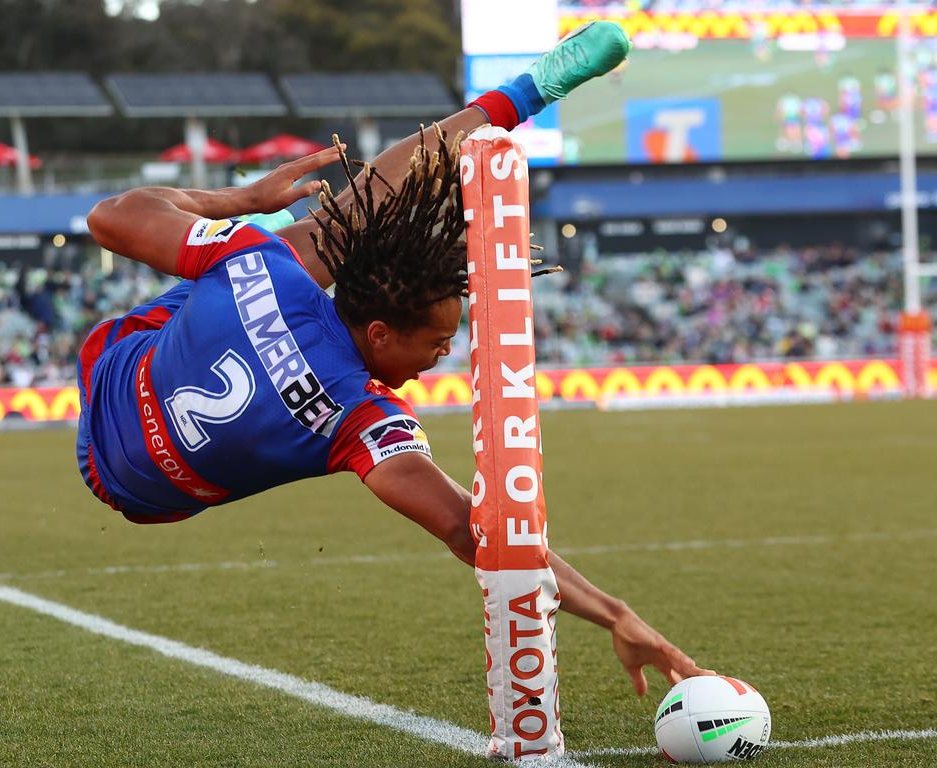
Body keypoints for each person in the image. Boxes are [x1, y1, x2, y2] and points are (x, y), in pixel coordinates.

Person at [79, 21, 713, 697]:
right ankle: (522, 95)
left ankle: (529, 90)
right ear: (380, 334)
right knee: (324, 235)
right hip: (133, 491)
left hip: (116, 362)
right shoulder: (361, 416)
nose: (440, 360)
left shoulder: (256, 262)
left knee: (323, 230)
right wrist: (615, 614)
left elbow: (109, 218)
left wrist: (242, 204)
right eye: (437, 344)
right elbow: (475, 531)